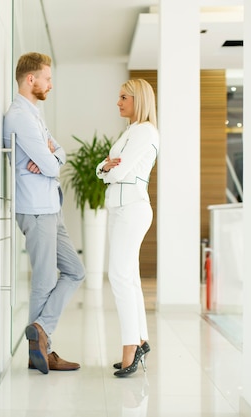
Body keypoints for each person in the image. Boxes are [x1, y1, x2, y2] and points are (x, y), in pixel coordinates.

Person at [3, 52, 85, 374]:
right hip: (36, 209)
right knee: (45, 279)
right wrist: (51, 160)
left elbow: (59, 153)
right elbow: (51, 162)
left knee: (75, 271)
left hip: (51, 206)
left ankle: (40, 331)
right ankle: (39, 350)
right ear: (31, 79)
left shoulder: (34, 114)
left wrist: (53, 158)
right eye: (47, 78)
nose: (51, 84)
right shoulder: (19, 116)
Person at [96, 79, 159, 378]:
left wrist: (109, 169)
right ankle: (141, 339)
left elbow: (116, 170)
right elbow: (103, 168)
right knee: (129, 278)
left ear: (138, 99)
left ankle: (130, 347)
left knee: (119, 276)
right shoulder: (131, 132)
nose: (118, 102)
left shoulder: (145, 131)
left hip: (133, 209)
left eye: (123, 97)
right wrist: (107, 169)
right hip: (122, 210)